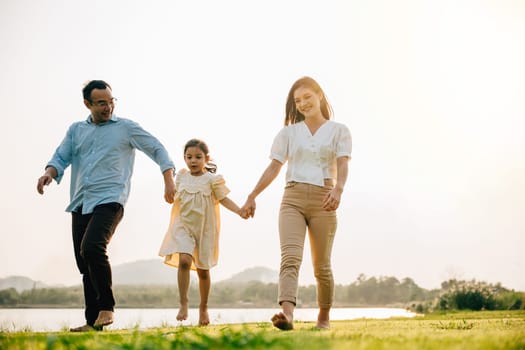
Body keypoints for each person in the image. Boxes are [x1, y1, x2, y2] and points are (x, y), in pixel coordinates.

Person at [36, 80, 176, 332]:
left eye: (111, 101)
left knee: (91, 247)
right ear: (87, 104)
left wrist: (168, 179)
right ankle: (93, 324)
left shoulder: (126, 128)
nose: (108, 107)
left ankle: (107, 307)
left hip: (111, 199)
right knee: (84, 261)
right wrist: (49, 172)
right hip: (80, 201)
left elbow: (157, 148)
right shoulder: (76, 130)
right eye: (101, 103)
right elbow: (61, 156)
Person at [240, 76, 352, 330]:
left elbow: (343, 163)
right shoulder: (288, 133)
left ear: (319, 95)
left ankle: (323, 318)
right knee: (290, 257)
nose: (302, 104)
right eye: (297, 101)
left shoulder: (339, 130)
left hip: (325, 198)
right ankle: (287, 314)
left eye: (307, 98)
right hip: (292, 198)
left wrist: (338, 190)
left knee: (321, 265)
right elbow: (274, 167)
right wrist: (252, 195)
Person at [158, 138, 246, 326]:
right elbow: (173, 194)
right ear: (184, 159)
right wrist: (168, 193)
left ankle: (203, 308)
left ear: (206, 159)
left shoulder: (212, 180)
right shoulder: (181, 176)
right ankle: (183, 303)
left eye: (198, 157)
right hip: (183, 227)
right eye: (189, 157)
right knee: (184, 261)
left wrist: (239, 210)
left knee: (203, 272)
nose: (193, 161)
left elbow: (224, 199)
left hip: (205, 229)